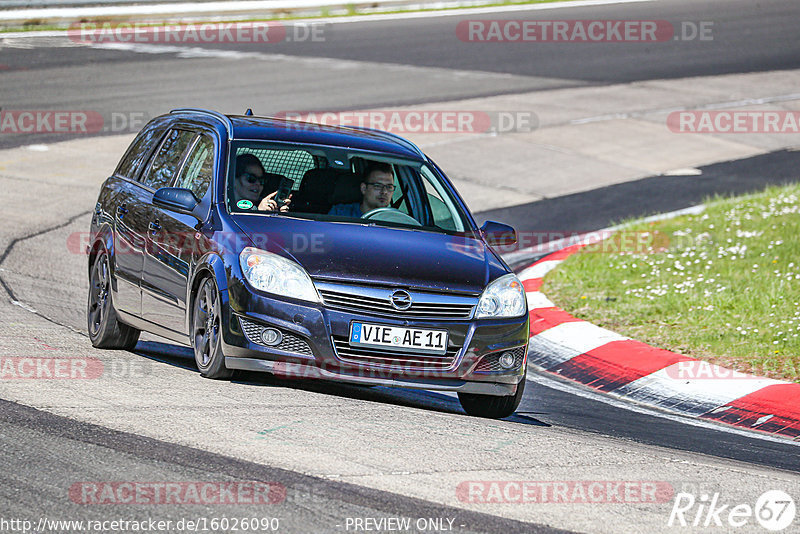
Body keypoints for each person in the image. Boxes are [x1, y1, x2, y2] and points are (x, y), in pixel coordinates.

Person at [328, 162, 394, 217]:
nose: (384, 191)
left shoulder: (396, 220)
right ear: (364, 188)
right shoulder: (339, 214)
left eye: (389, 187)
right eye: (378, 186)